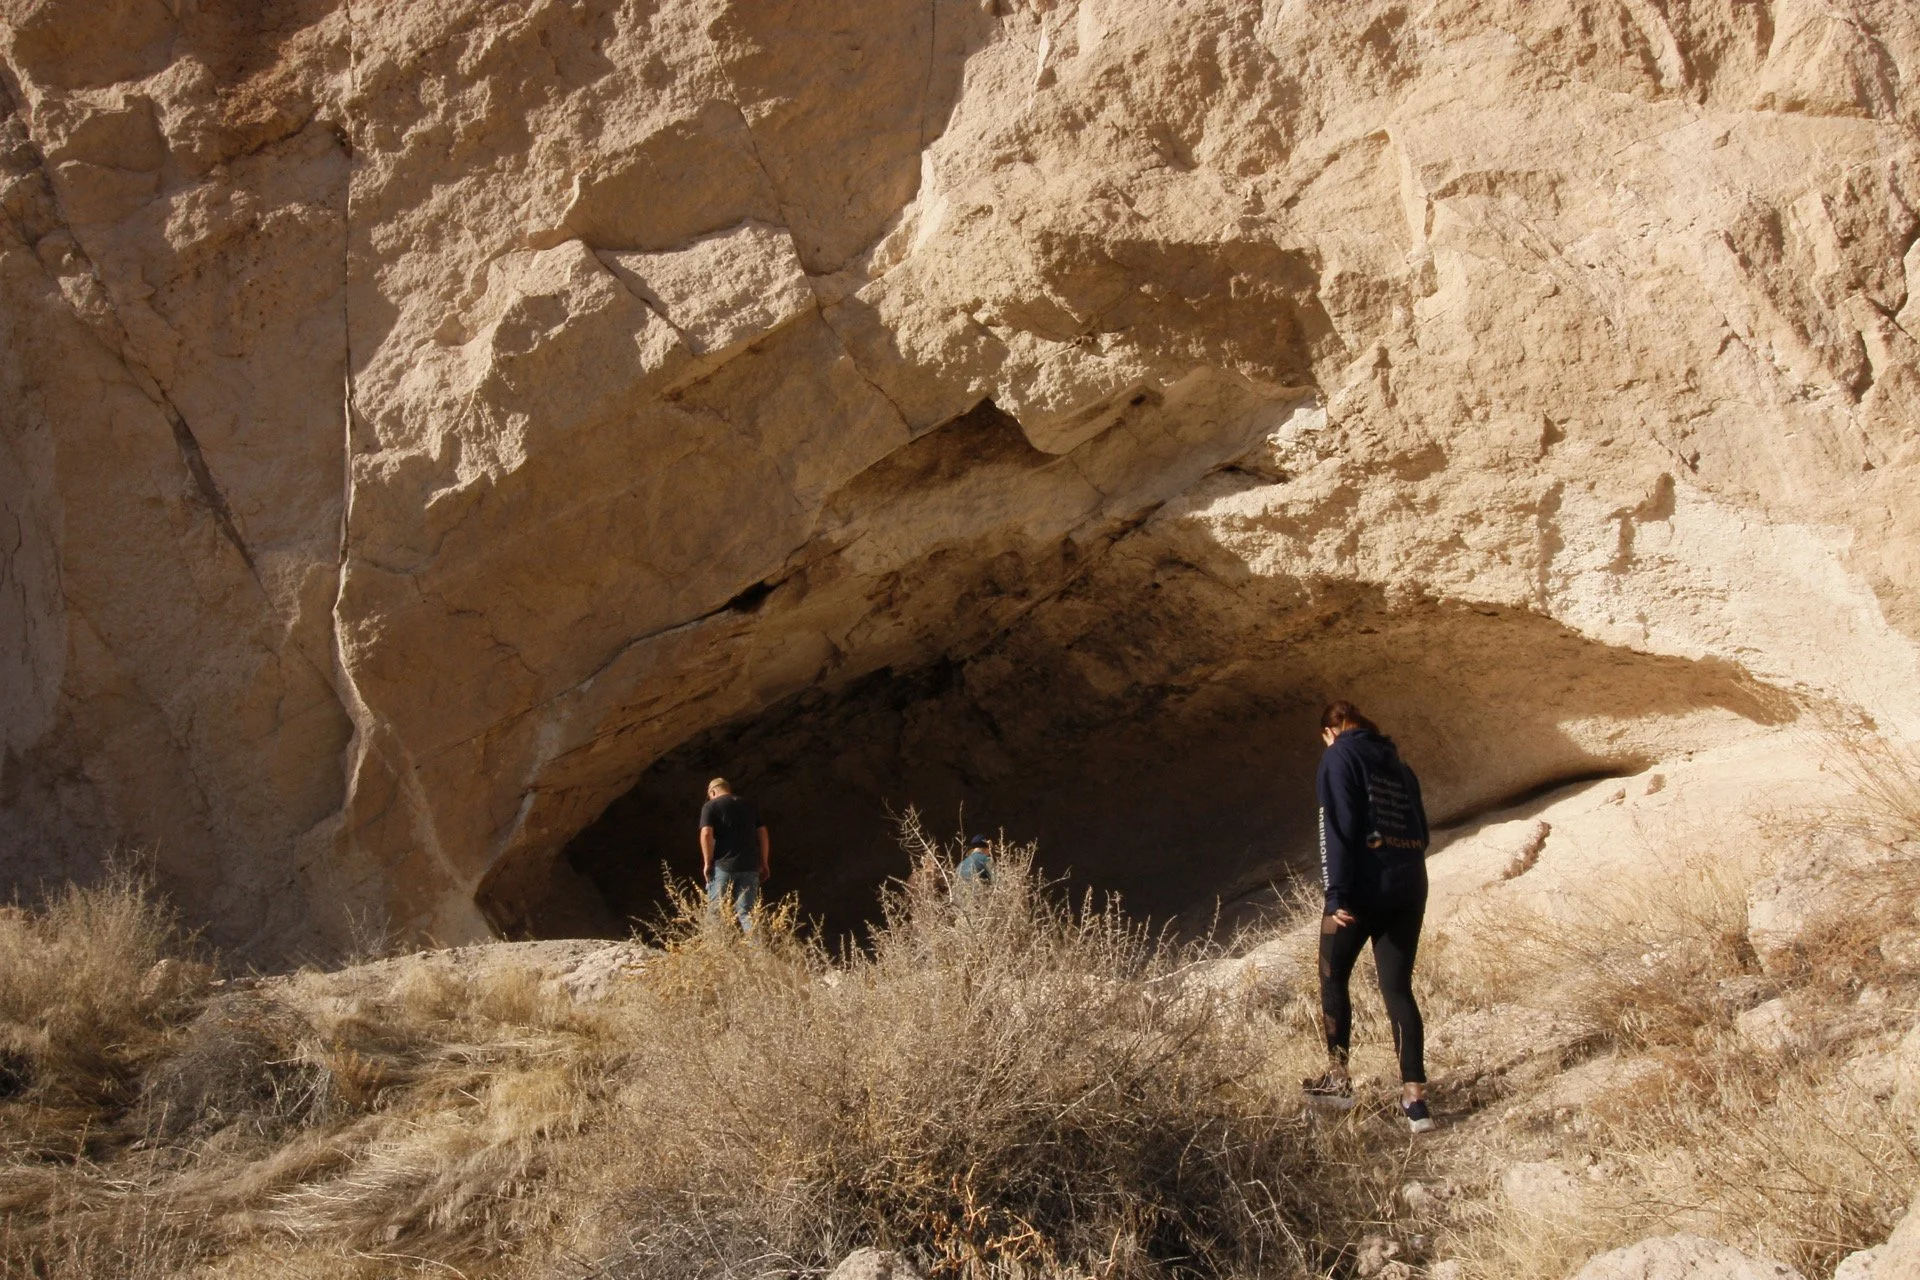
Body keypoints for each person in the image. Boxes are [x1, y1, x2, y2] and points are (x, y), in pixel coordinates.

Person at [1303, 700, 1435, 1133]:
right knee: (1398, 989)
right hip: (1409, 885)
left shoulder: (1338, 755)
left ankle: (1339, 1081)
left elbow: (1336, 826)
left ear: (1331, 730)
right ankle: (1416, 1102)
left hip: (1361, 890)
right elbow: (1423, 833)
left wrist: (1336, 894)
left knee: (1332, 973)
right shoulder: (1400, 765)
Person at [699, 777, 769, 932]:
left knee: (715, 912)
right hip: (750, 866)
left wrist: (707, 862)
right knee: (747, 913)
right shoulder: (750, 805)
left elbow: (706, 834)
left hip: (723, 866)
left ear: (713, 791)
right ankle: (758, 954)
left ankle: (714, 951)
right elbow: (763, 833)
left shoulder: (710, 806)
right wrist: (764, 862)